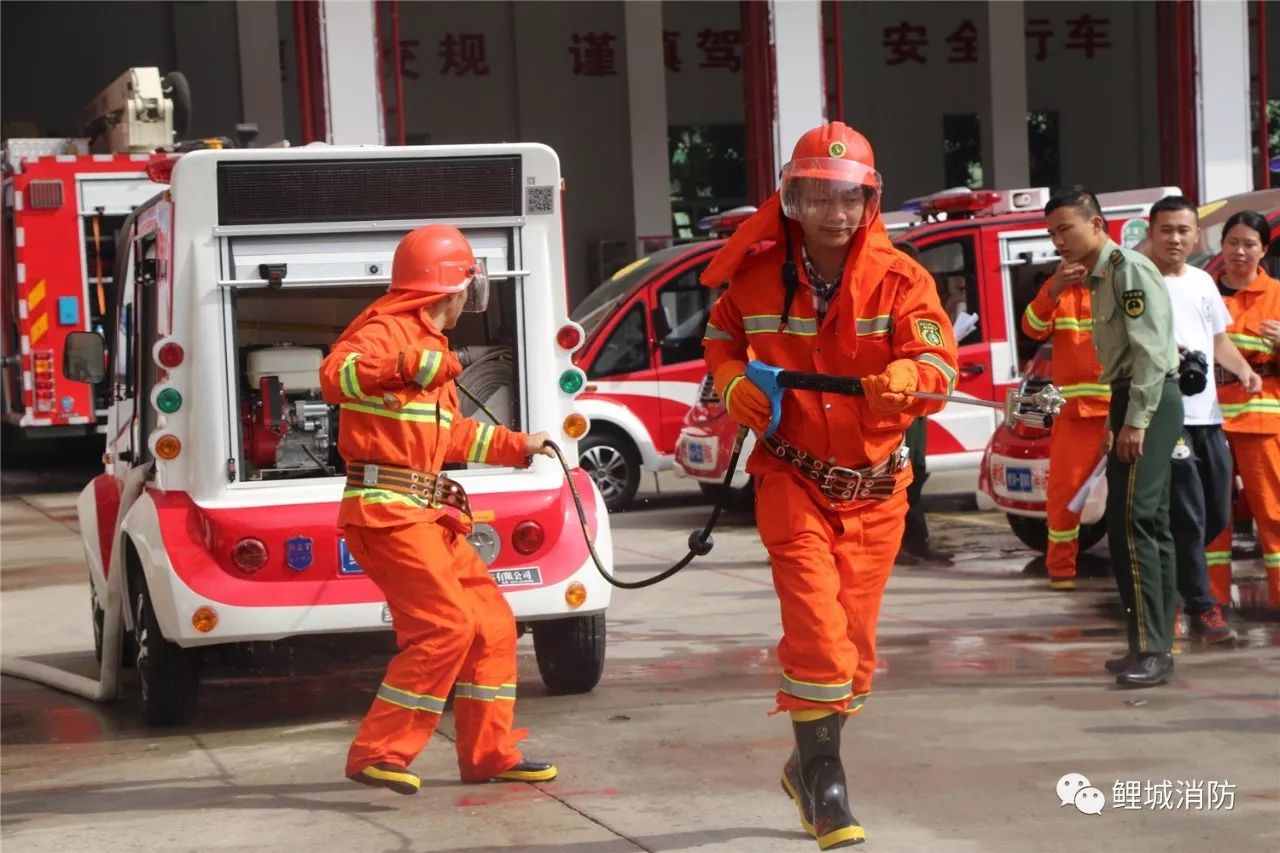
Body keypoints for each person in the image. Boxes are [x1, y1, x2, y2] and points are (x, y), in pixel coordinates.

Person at [700, 122, 959, 849]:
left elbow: (940, 365)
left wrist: (909, 378)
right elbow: (720, 336)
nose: (835, 214)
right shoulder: (753, 276)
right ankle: (828, 786)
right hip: (791, 475)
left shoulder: (905, 279)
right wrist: (728, 383)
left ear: (870, 201)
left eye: (849, 199)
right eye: (818, 197)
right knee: (816, 631)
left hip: (877, 487)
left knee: (855, 653)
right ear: (793, 199)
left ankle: (803, 759)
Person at [320, 224, 557, 795]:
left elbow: (448, 439)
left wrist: (517, 446)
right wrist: (402, 367)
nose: (472, 299)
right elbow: (334, 377)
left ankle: (489, 754)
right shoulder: (384, 332)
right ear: (450, 289)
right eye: (469, 286)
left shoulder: (434, 347)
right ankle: (380, 753)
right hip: (387, 513)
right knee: (444, 626)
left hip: (428, 513)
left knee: (492, 625)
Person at [1045, 186, 1182, 688]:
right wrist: (1116, 419)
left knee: (1135, 524)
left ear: (1096, 223)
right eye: (1053, 232)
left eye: (1067, 228)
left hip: (1149, 399)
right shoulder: (1102, 276)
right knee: (1146, 524)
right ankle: (1147, 643)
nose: (1059, 240)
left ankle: (1151, 648)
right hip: (1130, 399)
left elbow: (1148, 354)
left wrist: (1135, 420)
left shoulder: (1127, 270)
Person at [1145, 196, 1260, 643]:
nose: (1175, 238)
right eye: (1167, 229)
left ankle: (1176, 587)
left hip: (1208, 417)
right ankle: (1200, 606)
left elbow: (1218, 341)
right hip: (1167, 416)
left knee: (1215, 511)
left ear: (1196, 236)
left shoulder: (1203, 282)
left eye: (1183, 230)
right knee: (1189, 516)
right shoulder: (1141, 281)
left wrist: (1244, 368)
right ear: (1151, 231)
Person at [1020, 255, 1111, 591]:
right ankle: (1061, 573)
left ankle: (1140, 570)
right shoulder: (1059, 290)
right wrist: (1054, 288)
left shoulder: (1118, 284)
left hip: (1121, 410)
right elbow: (1031, 327)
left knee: (1137, 499)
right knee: (1063, 498)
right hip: (1075, 414)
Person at [1204, 212, 1280, 610]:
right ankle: (1211, 603)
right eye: (1232, 242)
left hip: (1260, 417)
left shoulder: (1278, 295)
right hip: (1209, 417)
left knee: (1273, 511)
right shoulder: (1204, 293)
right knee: (1211, 514)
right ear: (1222, 246)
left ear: (1263, 250)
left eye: (1249, 243)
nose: (1239, 251)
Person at [892, 241, 954, 566]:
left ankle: (916, 540)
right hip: (893, 406)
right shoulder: (883, 301)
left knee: (917, 470)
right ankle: (897, 543)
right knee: (897, 474)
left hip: (917, 405)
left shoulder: (921, 300)